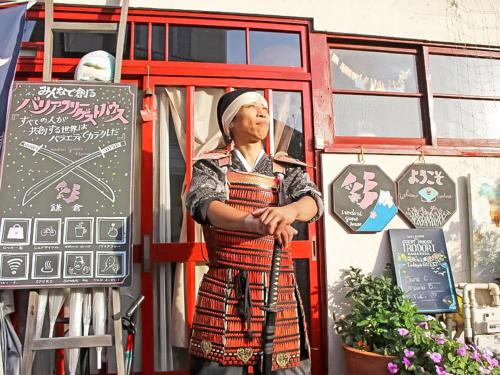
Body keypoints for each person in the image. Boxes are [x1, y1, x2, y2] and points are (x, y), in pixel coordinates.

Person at [186, 89, 323, 374]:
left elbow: (313, 200)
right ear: (230, 123)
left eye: (264, 107)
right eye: (251, 106)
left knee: (285, 368)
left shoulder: (286, 170)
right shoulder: (212, 166)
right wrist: (253, 222)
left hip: (278, 286)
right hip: (226, 287)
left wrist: (288, 212)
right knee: (218, 368)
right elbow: (204, 205)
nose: (262, 112)